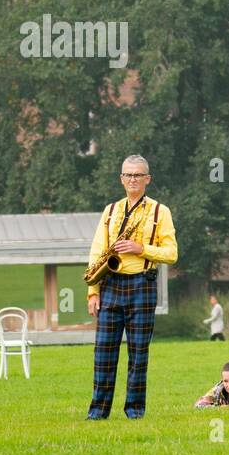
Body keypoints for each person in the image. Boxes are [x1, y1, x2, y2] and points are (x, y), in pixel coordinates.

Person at [86, 155, 178, 419]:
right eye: (128, 175)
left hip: (142, 284)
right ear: (121, 179)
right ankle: (97, 412)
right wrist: (93, 290)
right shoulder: (110, 210)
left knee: (138, 353)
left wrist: (141, 249)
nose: (133, 180)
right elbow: (97, 251)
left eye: (138, 175)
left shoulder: (161, 212)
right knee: (103, 352)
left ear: (148, 179)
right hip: (110, 284)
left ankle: (135, 411)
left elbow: (172, 254)